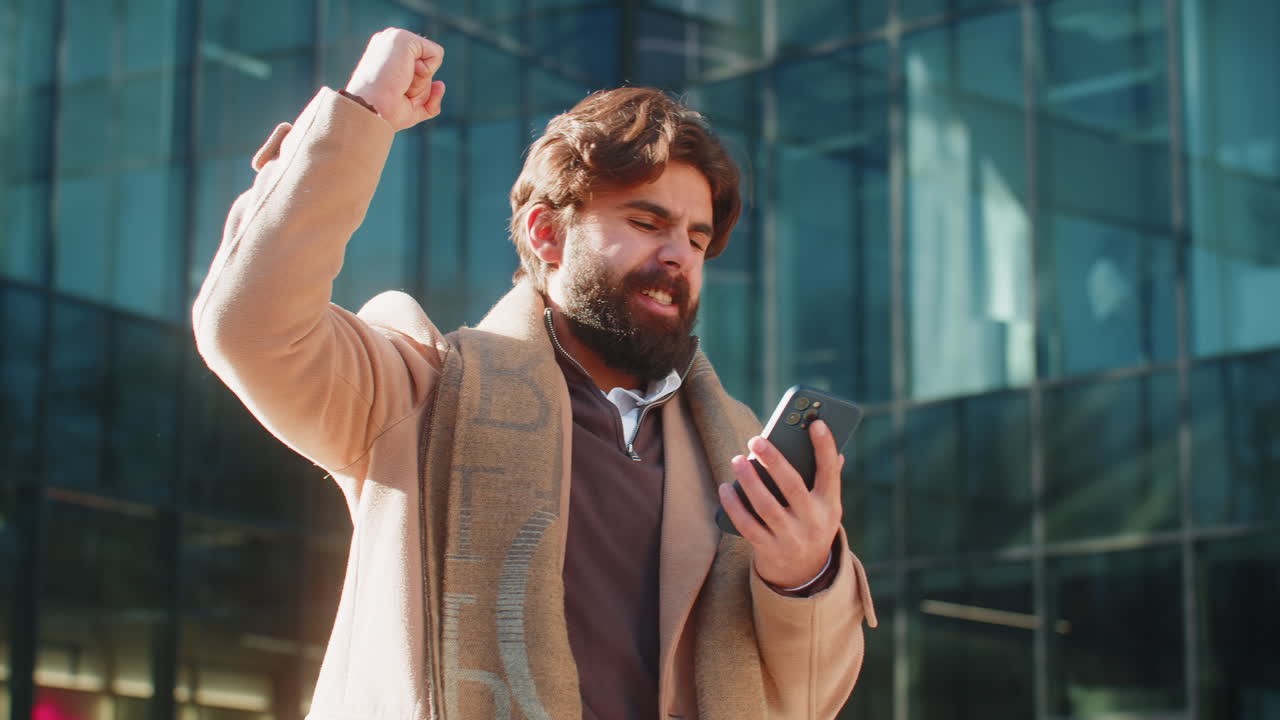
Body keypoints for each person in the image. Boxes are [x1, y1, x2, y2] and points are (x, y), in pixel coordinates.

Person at [193, 28, 876, 720]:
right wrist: (362, 111)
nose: (680, 255)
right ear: (547, 235)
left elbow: (807, 701)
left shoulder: (734, 448)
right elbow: (251, 326)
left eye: (697, 239)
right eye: (647, 221)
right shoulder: (420, 391)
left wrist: (803, 575)